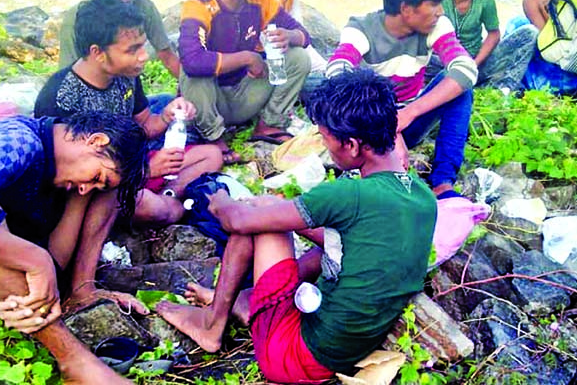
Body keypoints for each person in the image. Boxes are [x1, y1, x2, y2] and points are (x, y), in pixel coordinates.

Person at [155, 69, 437, 383]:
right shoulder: (422, 195)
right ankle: (246, 300)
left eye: (327, 140)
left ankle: (212, 325)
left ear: (354, 146)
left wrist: (220, 199)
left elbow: (236, 220)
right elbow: (351, 241)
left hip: (292, 357)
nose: (325, 148)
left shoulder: (349, 194)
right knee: (302, 226)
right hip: (346, 351)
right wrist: (285, 215)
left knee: (259, 218)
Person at [0, 111, 150, 385]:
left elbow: (97, 190)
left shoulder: (69, 173)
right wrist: (34, 259)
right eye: (95, 175)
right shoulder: (19, 141)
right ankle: (72, 361)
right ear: (96, 141)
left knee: (108, 192)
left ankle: (81, 291)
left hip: (21, 288)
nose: (84, 189)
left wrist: (54, 271)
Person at [37, 0, 223, 227]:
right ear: (97, 53)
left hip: (134, 165)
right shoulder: (62, 98)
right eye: (132, 49)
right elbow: (68, 181)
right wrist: (145, 171)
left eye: (142, 46)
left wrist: (166, 116)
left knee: (211, 155)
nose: (144, 56)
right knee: (149, 207)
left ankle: (169, 194)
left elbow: (144, 125)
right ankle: (169, 207)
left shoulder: (125, 75)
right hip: (99, 186)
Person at [326, 0, 478, 197]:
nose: (440, 11)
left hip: (408, 119)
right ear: (406, 8)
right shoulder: (361, 30)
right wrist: (388, 128)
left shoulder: (436, 26)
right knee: (343, 92)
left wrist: (408, 114)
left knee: (462, 90)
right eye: (434, 4)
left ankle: (443, 181)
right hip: (368, 128)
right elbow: (336, 72)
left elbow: (466, 69)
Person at [178, 0, 312, 164]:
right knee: (192, 74)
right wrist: (247, 58)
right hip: (210, 100)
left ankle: (269, 124)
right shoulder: (199, 6)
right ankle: (214, 137)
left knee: (298, 58)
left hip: (245, 92)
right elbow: (192, 60)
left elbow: (303, 35)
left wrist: (288, 36)